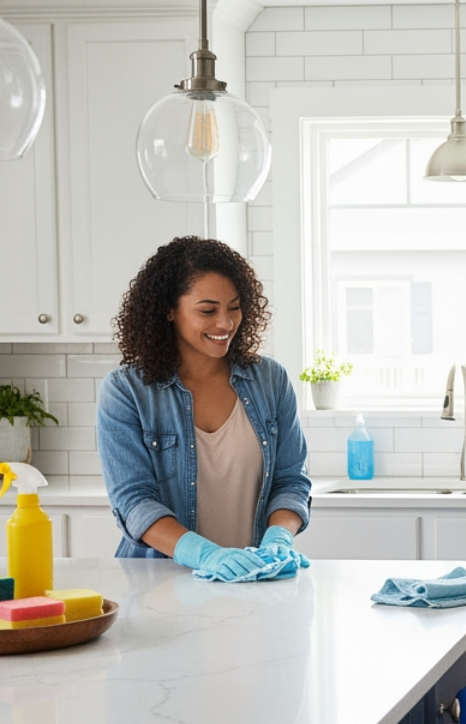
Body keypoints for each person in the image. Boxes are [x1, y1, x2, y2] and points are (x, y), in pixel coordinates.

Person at [97, 236, 311, 575]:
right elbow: (134, 501)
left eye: (235, 307)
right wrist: (206, 555)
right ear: (169, 310)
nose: (225, 323)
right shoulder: (127, 391)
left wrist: (279, 536)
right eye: (207, 311)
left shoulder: (271, 380)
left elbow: (290, 481)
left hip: (254, 576)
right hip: (158, 581)